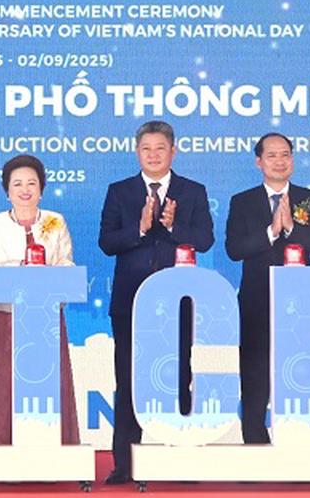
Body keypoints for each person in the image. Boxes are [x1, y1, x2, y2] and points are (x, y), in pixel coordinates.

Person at [98, 120, 214, 484]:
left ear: (173, 151)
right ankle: (125, 464)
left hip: (178, 302)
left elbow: (206, 240)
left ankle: (180, 458)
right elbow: (106, 242)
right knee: (128, 379)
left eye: (160, 148)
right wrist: (140, 229)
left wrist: (174, 226)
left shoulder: (192, 191)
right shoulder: (120, 191)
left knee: (178, 377)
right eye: (146, 149)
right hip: (130, 302)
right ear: (137, 152)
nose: (153, 155)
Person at [224, 132, 310, 445]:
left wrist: (292, 228)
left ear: (293, 160)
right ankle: (255, 445)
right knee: (255, 380)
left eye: (285, 155)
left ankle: (298, 446)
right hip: (256, 304)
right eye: (271, 155)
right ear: (259, 162)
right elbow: (234, 249)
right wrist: (271, 231)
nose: (279, 161)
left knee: (298, 377)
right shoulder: (242, 201)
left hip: (300, 304)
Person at [0, 154, 81, 446]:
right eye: (18, 184)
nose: (25, 190)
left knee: (51, 380)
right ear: (7, 191)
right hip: (8, 315)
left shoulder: (54, 221)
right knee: (5, 381)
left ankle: (55, 449)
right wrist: (21, 271)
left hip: (46, 317)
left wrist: (46, 274)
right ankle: (2, 449)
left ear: (41, 189)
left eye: (31, 183)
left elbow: (66, 263)